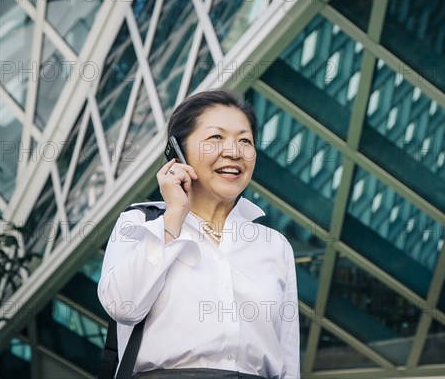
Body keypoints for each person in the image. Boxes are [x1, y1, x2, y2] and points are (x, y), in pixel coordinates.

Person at [98, 89, 300, 379]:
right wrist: (174, 216)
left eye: (245, 140)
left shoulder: (273, 245)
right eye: (215, 138)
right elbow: (121, 306)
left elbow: (288, 356)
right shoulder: (140, 224)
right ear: (179, 152)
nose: (233, 151)